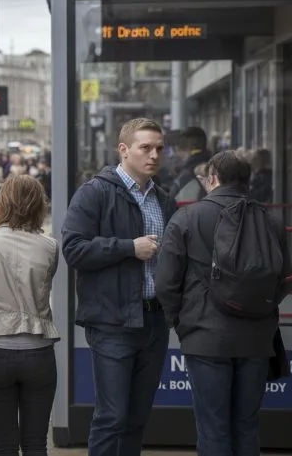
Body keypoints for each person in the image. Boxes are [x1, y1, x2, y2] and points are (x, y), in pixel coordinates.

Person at [155, 150, 292, 456]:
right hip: (257, 340)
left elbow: (165, 282)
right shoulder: (271, 221)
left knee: (213, 428)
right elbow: (283, 282)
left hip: (205, 338)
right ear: (247, 180)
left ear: (213, 178)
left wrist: (182, 322)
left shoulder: (187, 217)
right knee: (247, 425)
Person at [61, 118, 177, 456]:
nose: (154, 155)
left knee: (138, 419)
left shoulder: (163, 199)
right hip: (112, 322)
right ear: (123, 150)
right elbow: (73, 249)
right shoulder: (95, 192)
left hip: (154, 321)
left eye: (159, 148)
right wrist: (129, 247)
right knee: (111, 417)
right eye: (146, 148)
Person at [0, 174, 59, 456]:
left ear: (1, 202)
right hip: (40, 354)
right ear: (39, 205)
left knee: (3, 446)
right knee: (36, 444)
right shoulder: (50, 246)